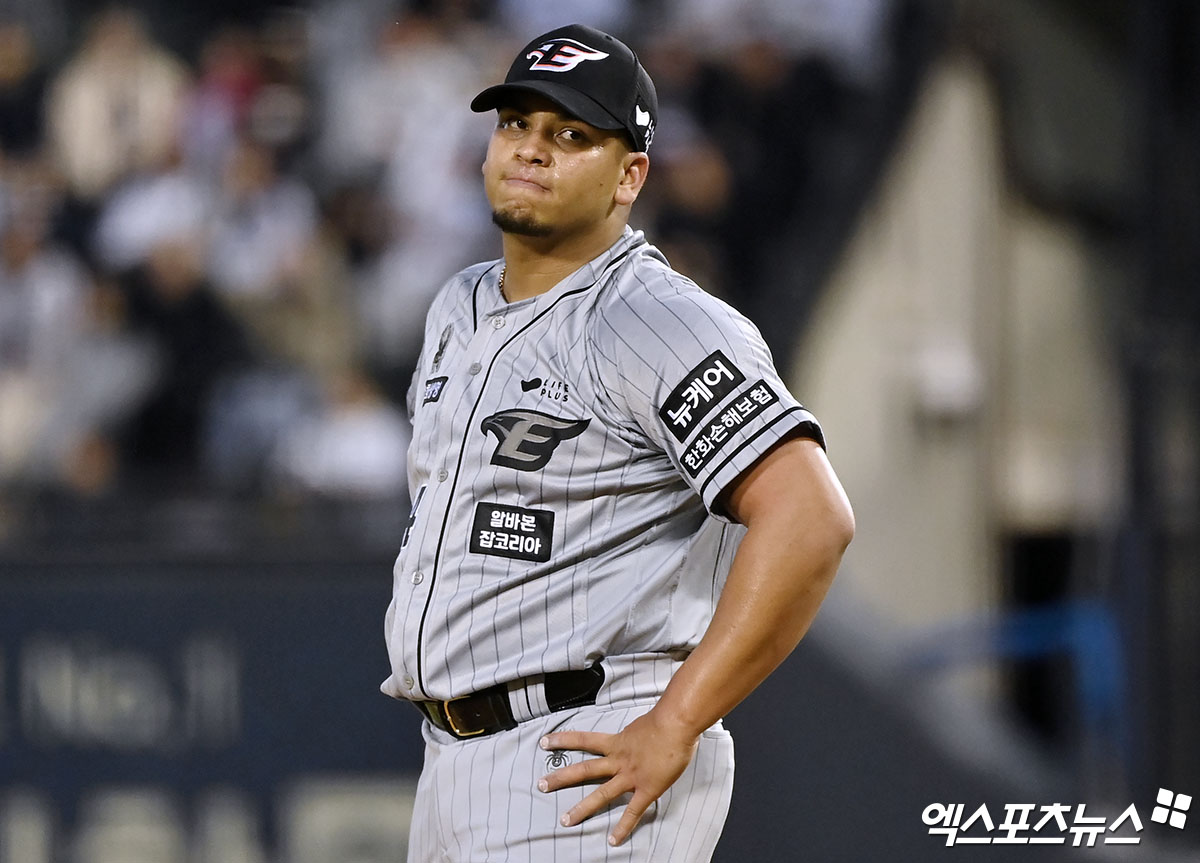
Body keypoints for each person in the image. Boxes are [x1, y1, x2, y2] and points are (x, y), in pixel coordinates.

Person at [381, 23, 854, 862]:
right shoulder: (457, 305)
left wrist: (677, 721)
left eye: (570, 135)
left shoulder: (658, 319)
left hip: (587, 749)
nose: (531, 149)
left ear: (630, 175)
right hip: (452, 755)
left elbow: (809, 516)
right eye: (516, 124)